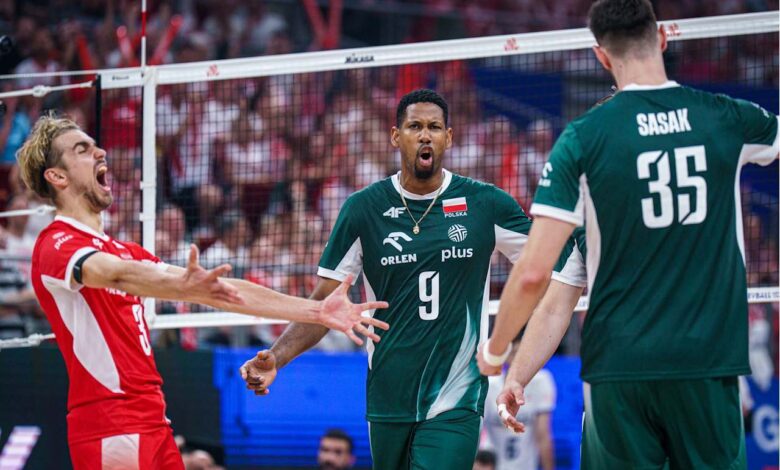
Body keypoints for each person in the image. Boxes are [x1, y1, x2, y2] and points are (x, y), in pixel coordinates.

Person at [478, 0, 779, 468]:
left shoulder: (584, 138)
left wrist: (498, 356)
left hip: (620, 368)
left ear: (601, 56)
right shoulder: (724, 117)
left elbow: (537, 278)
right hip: (706, 361)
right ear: (663, 37)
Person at [16, 114, 389, 469]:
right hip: (110, 424)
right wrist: (183, 285)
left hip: (153, 420)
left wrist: (317, 311)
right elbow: (114, 275)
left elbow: (222, 290)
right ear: (57, 176)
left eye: (95, 145)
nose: (100, 152)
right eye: (82, 149)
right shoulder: (56, 243)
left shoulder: (126, 251)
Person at [240, 89, 533, 470]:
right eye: (415, 126)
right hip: (387, 396)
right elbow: (324, 304)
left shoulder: (485, 204)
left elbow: (548, 262)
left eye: (434, 127)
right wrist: (277, 357)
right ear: (396, 136)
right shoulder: (363, 209)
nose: (425, 135)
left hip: (456, 397)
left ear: (448, 137)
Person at [481, 342, 556, 470]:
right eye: (513, 353)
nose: (517, 359)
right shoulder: (489, 385)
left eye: (521, 353)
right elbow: (478, 431)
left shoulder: (541, 381)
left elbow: (543, 435)